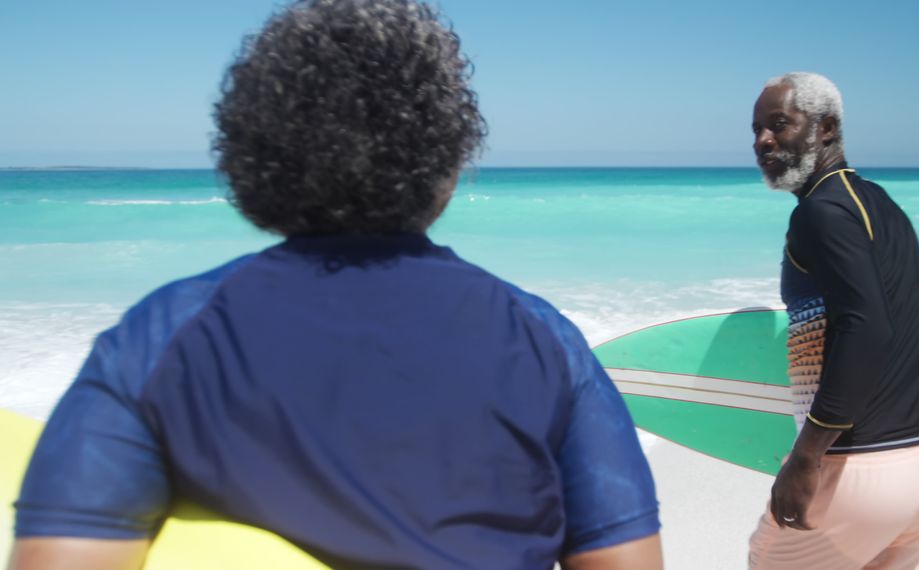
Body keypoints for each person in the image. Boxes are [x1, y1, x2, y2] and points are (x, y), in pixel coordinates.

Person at [8, 1, 662, 569]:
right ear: (445, 156)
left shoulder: (160, 334)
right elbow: (622, 559)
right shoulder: (543, 338)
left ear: (259, 153)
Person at [746, 72, 919, 569]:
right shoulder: (882, 206)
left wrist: (806, 456)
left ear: (825, 129)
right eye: (755, 129)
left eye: (779, 124)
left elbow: (866, 327)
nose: (762, 140)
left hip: (857, 472)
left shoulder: (819, 214)